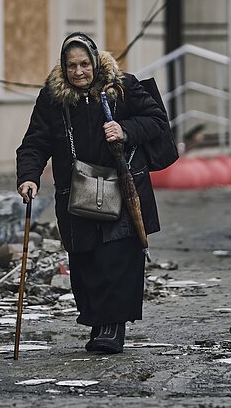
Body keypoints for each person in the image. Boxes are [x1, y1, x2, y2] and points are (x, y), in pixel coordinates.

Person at [16, 32, 169, 354]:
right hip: (77, 191)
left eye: (84, 64)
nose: (79, 71)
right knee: (86, 261)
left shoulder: (122, 87)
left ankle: (113, 328)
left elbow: (156, 120)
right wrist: (29, 177)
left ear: (96, 62)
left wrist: (125, 130)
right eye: (71, 65)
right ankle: (99, 324)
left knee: (118, 259)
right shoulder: (52, 98)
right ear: (63, 66)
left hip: (123, 188)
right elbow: (35, 142)